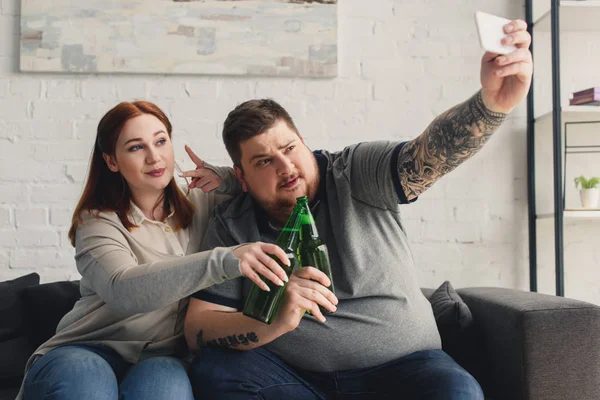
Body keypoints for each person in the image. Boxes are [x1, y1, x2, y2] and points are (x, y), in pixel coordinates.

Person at [183, 19, 532, 399]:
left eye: (288, 149)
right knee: (215, 371)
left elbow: (427, 155)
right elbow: (198, 327)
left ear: (303, 141)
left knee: (457, 391)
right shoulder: (232, 223)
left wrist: (491, 105)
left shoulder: (356, 172)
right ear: (242, 176)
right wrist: (274, 320)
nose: (285, 168)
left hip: (403, 370)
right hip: (292, 378)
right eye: (264, 162)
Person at [18, 101, 290, 400]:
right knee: (89, 385)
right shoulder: (96, 223)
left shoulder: (204, 202)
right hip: (88, 348)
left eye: (161, 141)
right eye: (136, 147)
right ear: (112, 161)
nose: (154, 157)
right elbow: (123, 288)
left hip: (164, 357)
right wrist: (225, 260)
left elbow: (267, 182)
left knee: (166, 388)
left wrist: (225, 176)